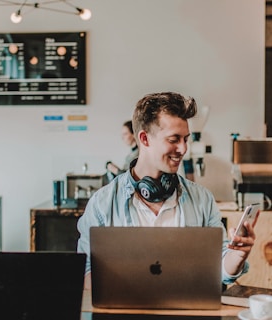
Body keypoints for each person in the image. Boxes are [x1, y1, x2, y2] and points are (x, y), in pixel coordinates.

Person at [77, 91, 255, 290]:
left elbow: (220, 270)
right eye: (174, 139)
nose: (183, 149)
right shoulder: (102, 204)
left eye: (185, 139)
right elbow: (85, 275)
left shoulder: (202, 199)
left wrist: (237, 256)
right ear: (144, 139)